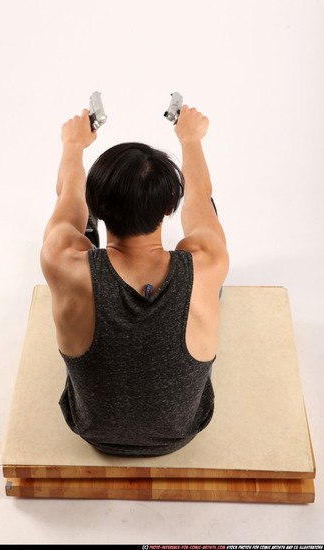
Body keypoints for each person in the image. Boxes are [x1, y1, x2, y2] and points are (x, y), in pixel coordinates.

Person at [40, 104, 229, 457]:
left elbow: (68, 196)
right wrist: (190, 138)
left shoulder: (62, 259)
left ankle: (96, 247)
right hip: (181, 433)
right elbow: (200, 196)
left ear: (94, 206)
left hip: (93, 432)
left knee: (76, 243)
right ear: (170, 206)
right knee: (206, 239)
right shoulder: (207, 261)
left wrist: (73, 145)